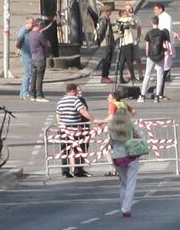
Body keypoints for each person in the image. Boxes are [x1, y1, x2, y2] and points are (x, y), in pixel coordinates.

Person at [106, 89, 142, 217]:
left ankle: (123, 204)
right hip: (131, 155)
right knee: (131, 183)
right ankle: (126, 208)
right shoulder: (131, 126)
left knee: (123, 182)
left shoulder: (111, 128)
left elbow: (111, 141)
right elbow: (142, 136)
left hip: (118, 156)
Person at [55, 82, 101, 178]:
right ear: (72, 91)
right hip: (75, 128)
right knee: (78, 149)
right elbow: (82, 111)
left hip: (63, 129)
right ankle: (78, 169)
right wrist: (94, 120)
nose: (78, 92)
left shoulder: (60, 101)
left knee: (65, 150)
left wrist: (60, 125)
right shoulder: (75, 100)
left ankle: (65, 171)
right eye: (76, 90)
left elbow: (58, 114)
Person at [16, 18, 38, 99]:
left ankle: (22, 92)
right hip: (26, 53)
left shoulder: (31, 31)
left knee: (28, 73)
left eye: (33, 23)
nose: (32, 24)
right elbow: (19, 38)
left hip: (31, 53)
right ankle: (25, 92)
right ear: (27, 23)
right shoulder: (24, 30)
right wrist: (19, 49)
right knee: (28, 73)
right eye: (31, 23)